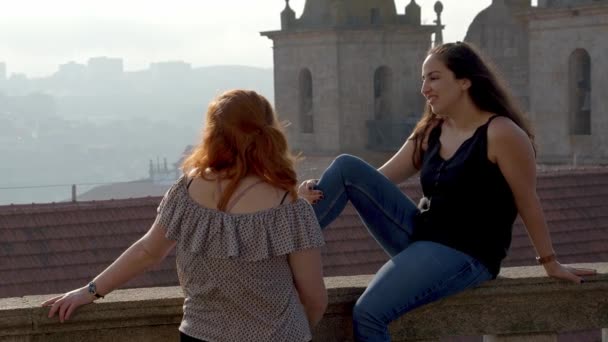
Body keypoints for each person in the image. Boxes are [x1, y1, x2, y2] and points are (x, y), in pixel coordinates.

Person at [298, 42, 596, 342]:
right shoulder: (431, 130)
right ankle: (284, 244)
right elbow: (371, 183)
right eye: (423, 79)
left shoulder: (502, 133)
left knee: (369, 313)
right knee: (346, 167)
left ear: (465, 81)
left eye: (434, 77)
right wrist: (313, 193)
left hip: (466, 253)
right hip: (420, 235)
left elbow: (528, 200)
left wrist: (549, 262)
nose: (425, 88)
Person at [43, 89, 328, 342]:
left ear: (213, 134)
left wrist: (89, 291)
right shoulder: (290, 207)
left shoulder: (187, 191)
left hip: (200, 336)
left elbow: (147, 252)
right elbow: (315, 298)